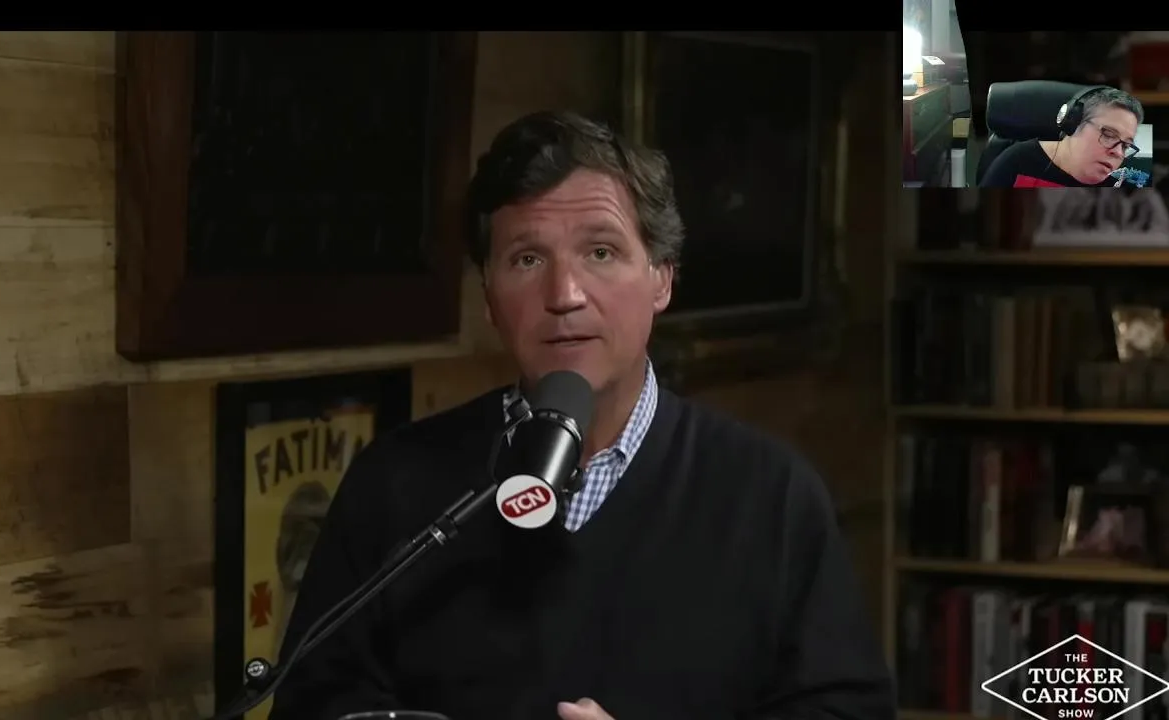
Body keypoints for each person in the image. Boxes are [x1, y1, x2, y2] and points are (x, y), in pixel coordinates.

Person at [269, 110, 896, 720]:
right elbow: (314, 701)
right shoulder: (393, 486)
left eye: (600, 252)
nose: (564, 296)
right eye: (527, 259)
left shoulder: (771, 497)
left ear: (662, 278)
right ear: (488, 297)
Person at [978, 86, 1144, 188]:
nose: (1118, 153)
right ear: (1073, 123)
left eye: (1125, 146)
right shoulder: (1017, 162)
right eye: (1108, 135)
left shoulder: (1123, 182)